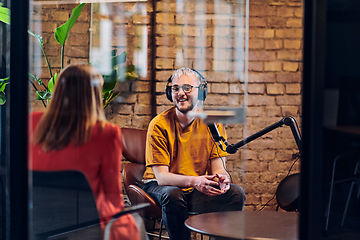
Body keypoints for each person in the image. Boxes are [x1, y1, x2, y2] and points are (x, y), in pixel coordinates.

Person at [28, 63, 147, 240]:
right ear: (94, 95)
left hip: (36, 225)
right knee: (135, 222)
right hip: (83, 228)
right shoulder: (106, 133)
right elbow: (112, 197)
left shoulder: (33, 122)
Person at [140, 67, 246, 240]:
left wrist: (222, 179)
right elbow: (163, 178)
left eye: (187, 88)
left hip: (192, 188)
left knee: (235, 193)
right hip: (157, 187)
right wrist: (195, 180)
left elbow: (218, 167)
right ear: (170, 93)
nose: (180, 93)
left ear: (202, 91)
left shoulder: (213, 124)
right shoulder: (159, 124)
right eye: (175, 88)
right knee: (172, 194)